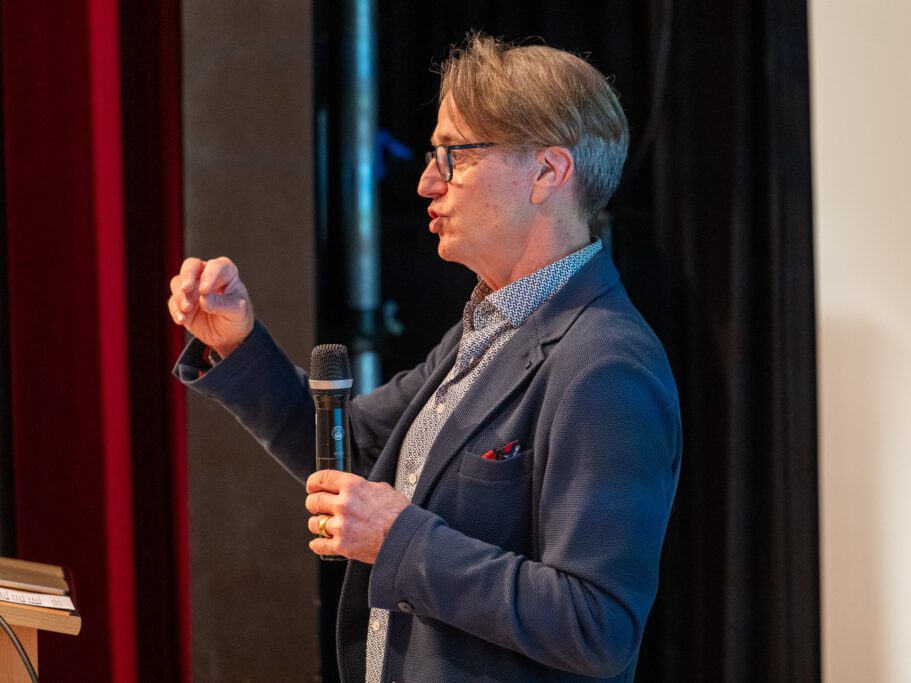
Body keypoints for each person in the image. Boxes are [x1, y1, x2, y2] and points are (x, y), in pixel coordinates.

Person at [168, 32, 681, 683]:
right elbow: (352, 453)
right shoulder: (490, 326)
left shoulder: (605, 365)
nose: (426, 182)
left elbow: (595, 626)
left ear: (548, 173)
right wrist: (235, 341)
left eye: (454, 155)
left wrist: (400, 539)